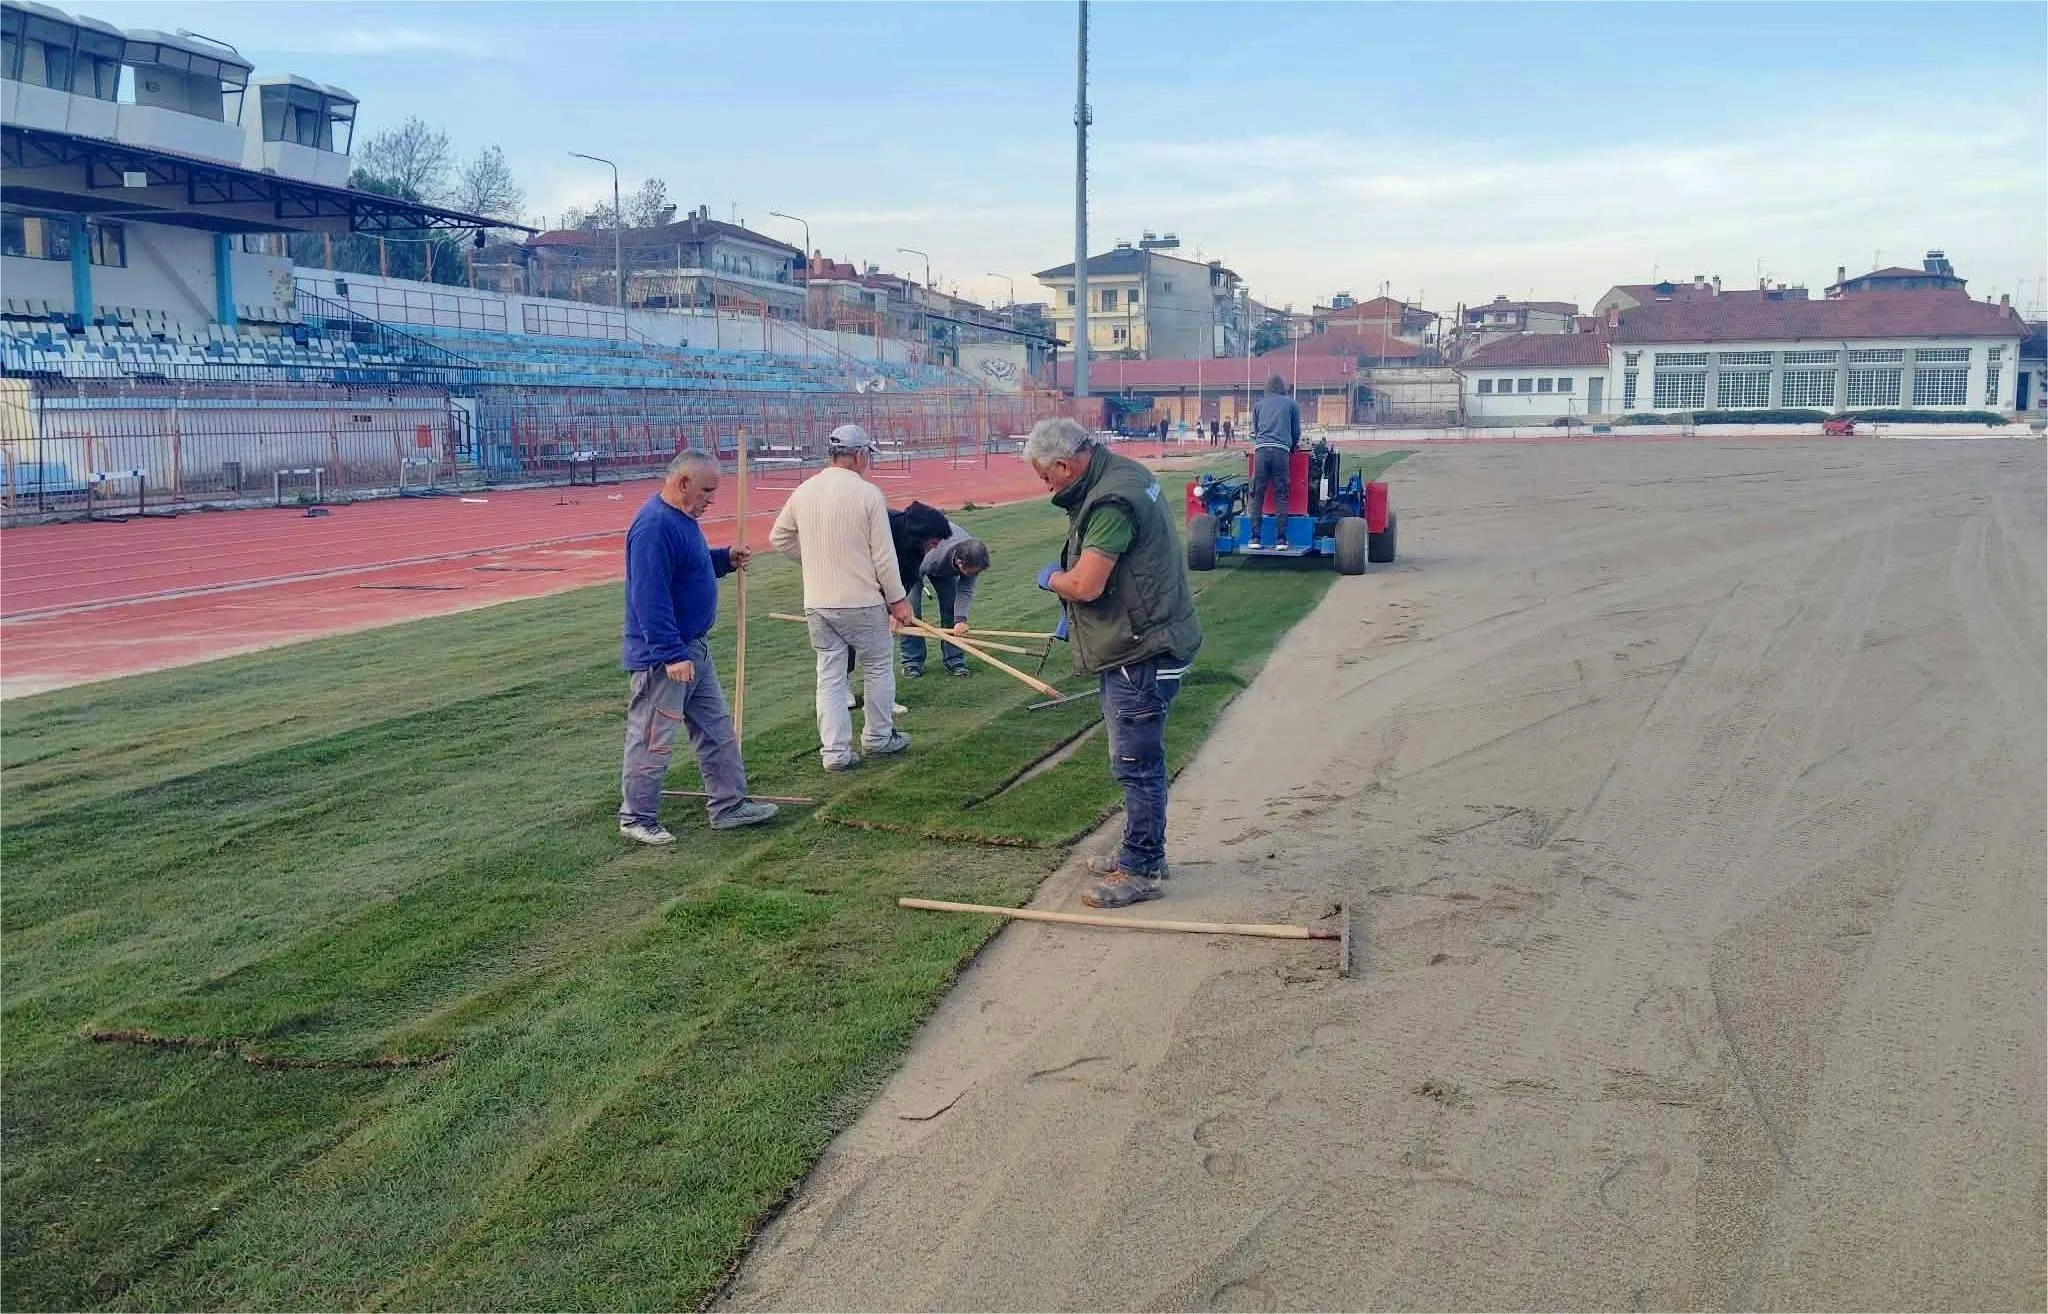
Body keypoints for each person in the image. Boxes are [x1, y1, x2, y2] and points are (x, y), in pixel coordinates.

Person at [1025, 417, 1203, 909]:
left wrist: (1051, 579)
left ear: (1064, 464)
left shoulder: (1109, 499)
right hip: (1143, 639)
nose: (1047, 486)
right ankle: (1142, 850)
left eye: (1046, 477)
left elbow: (1086, 584)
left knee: (1135, 762)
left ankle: (1141, 868)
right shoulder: (1121, 473)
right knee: (1137, 759)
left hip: (1143, 650)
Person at [618, 450, 777, 844]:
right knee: (653, 738)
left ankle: (729, 806)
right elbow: (649, 597)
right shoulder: (653, 526)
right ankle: (636, 817)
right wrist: (671, 654)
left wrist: (723, 559)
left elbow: (689, 565)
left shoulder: (682, 520)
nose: (711, 498)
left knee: (717, 730)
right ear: (683, 483)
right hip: (666, 657)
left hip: (693, 650)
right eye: (707, 490)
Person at [769, 423, 913, 772]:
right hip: (860, 600)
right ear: (860, 454)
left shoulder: (805, 490)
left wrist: (817, 560)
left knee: (830, 673)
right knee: (878, 664)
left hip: (818, 601)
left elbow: (780, 538)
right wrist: (898, 600)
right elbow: (883, 556)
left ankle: (834, 752)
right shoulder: (867, 494)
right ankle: (879, 737)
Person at [902, 522, 991, 677]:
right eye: (968, 572)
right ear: (959, 562)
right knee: (910, 614)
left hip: (943, 569)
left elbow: (965, 590)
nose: (971, 575)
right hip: (912, 565)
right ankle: (912, 662)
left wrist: (960, 620)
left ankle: (955, 660)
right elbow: (912, 575)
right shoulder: (934, 556)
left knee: (951, 609)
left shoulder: (974, 559)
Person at [1245, 373, 1301, 548]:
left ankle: (1255, 537)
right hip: (1281, 451)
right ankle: (1281, 539)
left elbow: (1256, 430)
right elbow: (1296, 431)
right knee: (1281, 494)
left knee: (1256, 494)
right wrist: (1291, 446)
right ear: (1283, 388)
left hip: (1261, 451)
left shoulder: (1258, 405)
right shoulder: (1291, 404)